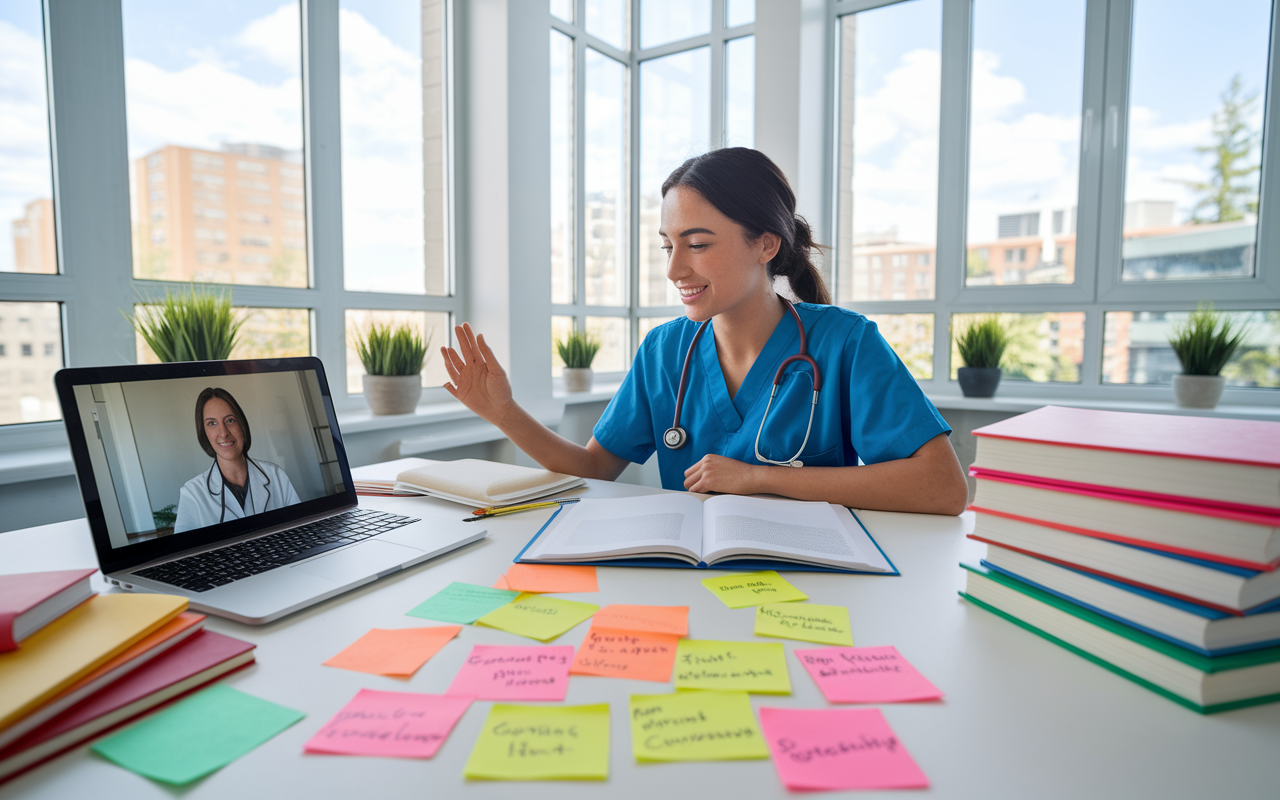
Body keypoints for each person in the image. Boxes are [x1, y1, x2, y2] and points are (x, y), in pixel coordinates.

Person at [442, 147, 968, 515]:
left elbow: (943, 488)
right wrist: (503, 412)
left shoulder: (846, 342)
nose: (674, 270)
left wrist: (759, 478)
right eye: (668, 246)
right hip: (692, 583)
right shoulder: (665, 351)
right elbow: (593, 469)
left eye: (697, 245)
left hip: (815, 585)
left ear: (766, 244)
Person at [174, 387, 302, 532]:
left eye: (230, 420)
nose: (223, 433)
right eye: (212, 423)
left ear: (242, 425)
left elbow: (301, 531)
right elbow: (187, 553)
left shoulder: (276, 476)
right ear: (204, 433)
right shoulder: (192, 493)